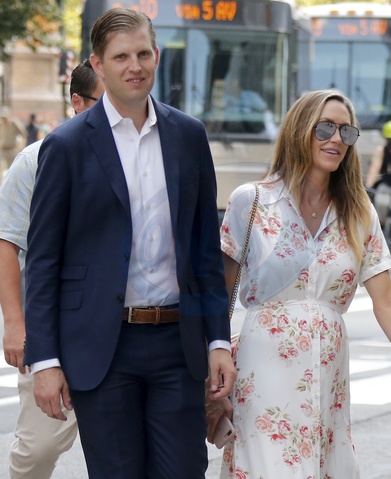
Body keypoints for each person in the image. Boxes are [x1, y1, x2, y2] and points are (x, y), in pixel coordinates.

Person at [24, 8, 235, 479]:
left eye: (142, 54)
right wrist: (46, 361)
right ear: (98, 65)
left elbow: (205, 249)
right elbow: (42, 262)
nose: (134, 66)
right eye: (121, 57)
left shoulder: (188, 136)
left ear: (156, 55)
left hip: (177, 344)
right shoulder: (66, 146)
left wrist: (219, 341)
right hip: (101, 347)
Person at [216, 90, 391, 478]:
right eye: (325, 128)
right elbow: (219, 291)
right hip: (262, 370)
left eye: (346, 132)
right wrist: (213, 354)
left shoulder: (358, 212)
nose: (336, 139)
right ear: (299, 130)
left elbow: (385, 299)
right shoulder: (252, 202)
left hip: (329, 373)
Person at [0, 59, 104, 479]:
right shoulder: (34, 160)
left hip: (119, 329)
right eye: (104, 100)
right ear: (77, 102)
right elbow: (7, 242)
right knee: (37, 450)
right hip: (54, 328)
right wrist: (15, 325)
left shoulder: (141, 156)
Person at [0, 108, 27, 174]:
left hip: (12, 149)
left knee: (12, 169)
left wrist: (21, 145)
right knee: (2, 169)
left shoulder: (14, 123)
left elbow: (24, 134)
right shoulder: (1, 124)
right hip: (3, 149)